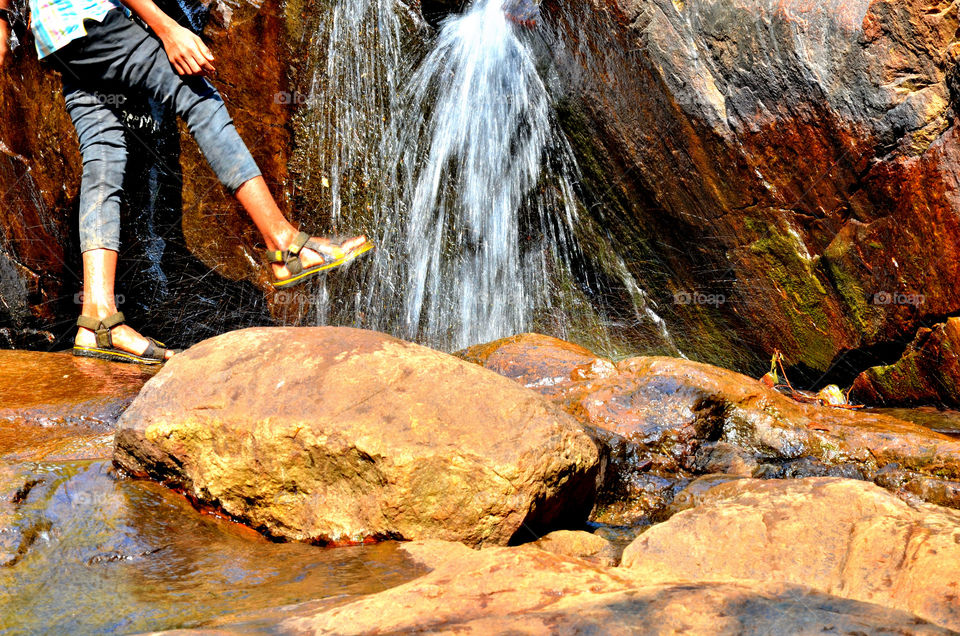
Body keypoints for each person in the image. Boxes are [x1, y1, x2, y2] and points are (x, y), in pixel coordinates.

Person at [0, 0, 372, 364]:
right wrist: (167, 28)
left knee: (103, 155)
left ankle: (99, 317)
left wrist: (1, 18)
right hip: (92, 17)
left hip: (57, 34)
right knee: (197, 96)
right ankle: (285, 245)